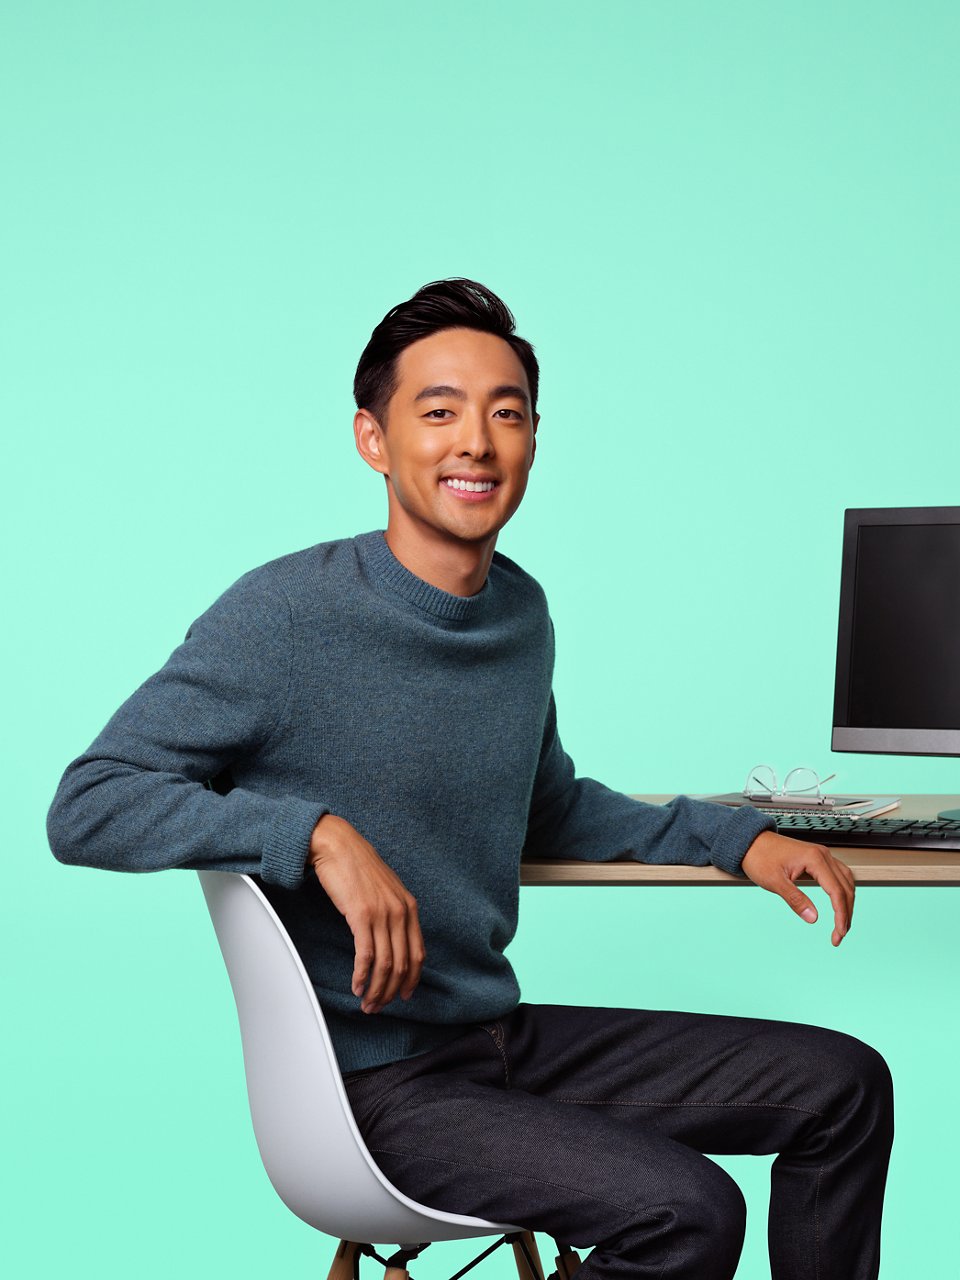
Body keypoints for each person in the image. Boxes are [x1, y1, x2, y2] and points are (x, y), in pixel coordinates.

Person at [47, 278, 893, 1280]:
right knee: (688, 1209)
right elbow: (87, 804)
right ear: (374, 438)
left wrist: (738, 835)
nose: (476, 442)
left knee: (844, 1084)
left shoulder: (518, 615)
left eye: (507, 412)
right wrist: (317, 833)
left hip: (497, 1040)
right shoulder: (284, 616)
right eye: (439, 410)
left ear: (535, 437)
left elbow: (553, 808)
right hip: (371, 1089)